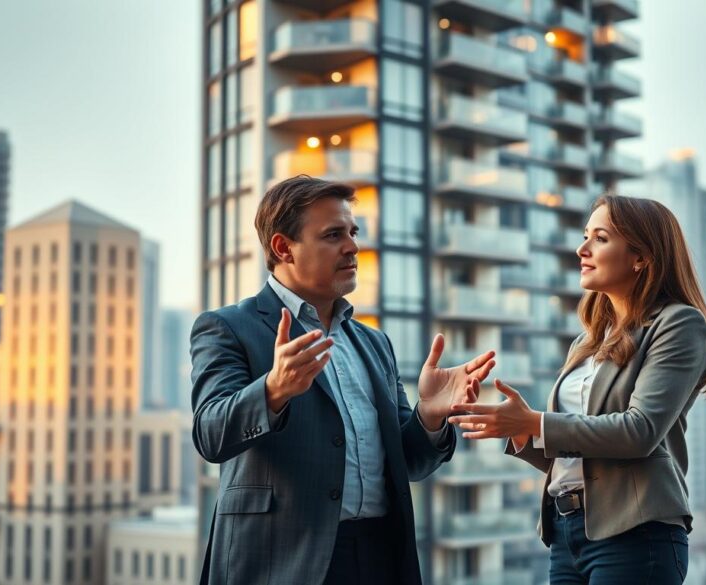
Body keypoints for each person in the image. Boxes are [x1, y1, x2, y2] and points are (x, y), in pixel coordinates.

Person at [190, 175, 495, 585]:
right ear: (283, 248)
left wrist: (429, 417)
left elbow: (411, 463)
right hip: (279, 561)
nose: (352, 246)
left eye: (352, 232)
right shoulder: (227, 327)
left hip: (379, 556)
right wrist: (273, 390)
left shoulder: (374, 343)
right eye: (333, 235)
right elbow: (210, 434)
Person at [449, 194, 706, 585]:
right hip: (567, 534)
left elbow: (639, 432)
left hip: (635, 532)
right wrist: (521, 430)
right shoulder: (588, 343)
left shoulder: (678, 324)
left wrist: (538, 421)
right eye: (585, 236)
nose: (582, 249)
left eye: (600, 238)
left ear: (641, 257)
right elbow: (580, 456)